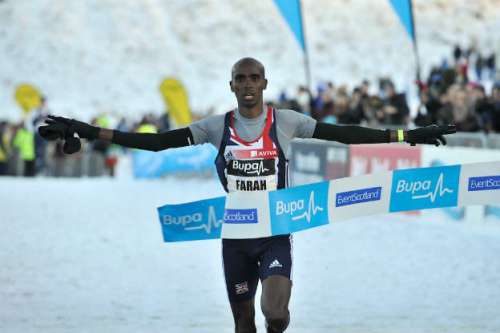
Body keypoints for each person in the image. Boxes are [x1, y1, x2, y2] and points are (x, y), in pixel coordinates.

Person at [38, 57, 456, 333]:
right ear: (232, 85)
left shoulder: (287, 121)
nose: (248, 84)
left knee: (275, 313)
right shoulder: (214, 127)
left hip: (276, 230)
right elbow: (156, 143)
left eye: (255, 78)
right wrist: (90, 131)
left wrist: (407, 135)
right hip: (235, 235)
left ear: (264, 83)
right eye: (241, 79)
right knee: (243, 325)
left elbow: (345, 135)